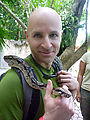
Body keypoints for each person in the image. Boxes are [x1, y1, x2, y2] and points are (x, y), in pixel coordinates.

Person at [0, 7, 78, 120]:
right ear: (27, 36)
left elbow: (63, 110)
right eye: (37, 35)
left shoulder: (59, 74)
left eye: (53, 35)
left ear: (60, 36)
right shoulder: (11, 83)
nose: (47, 45)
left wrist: (73, 92)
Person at [76, 51, 90, 120]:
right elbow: (80, 75)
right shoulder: (86, 56)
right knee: (86, 116)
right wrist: (78, 92)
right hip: (86, 92)